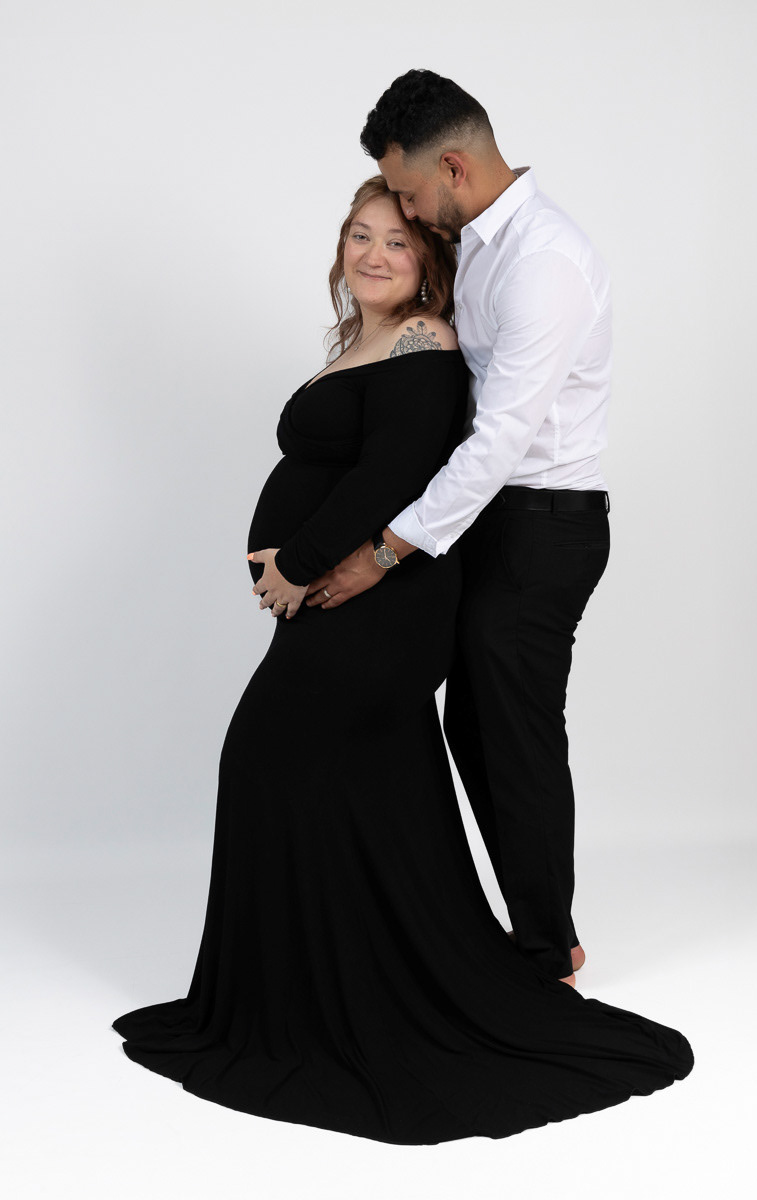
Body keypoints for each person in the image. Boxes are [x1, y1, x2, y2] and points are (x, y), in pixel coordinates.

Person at [112, 175, 692, 1145]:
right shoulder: (366, 338)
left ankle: (404, 979)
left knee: (262, 755)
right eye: (358, 235)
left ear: (428, 260)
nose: (373, 254)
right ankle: (313, 982)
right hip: (345, 600)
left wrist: (301, 564)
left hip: (380, 601)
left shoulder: (425, 343)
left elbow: (395, 473)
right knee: (361, 782)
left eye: (395, 239)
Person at [306, 70, 612, 986]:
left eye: (407, 194)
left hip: (542, 525)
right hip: (491, 521)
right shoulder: (477, 242)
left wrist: (381, 552)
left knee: (514, 734)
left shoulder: (544, 262)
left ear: (451, 167)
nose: (404, 211)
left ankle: (549, 956)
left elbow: (496, 442)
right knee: (473, 728)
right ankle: (536, 931)